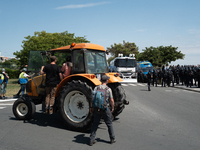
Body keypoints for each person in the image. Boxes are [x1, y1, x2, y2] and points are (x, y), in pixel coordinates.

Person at [89, 75, 116, 146]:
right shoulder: (108, 89)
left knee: (95, 124)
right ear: (106, 81)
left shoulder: (96, 87)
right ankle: (112, 139)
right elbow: (111, 100)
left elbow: (92, 99)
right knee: (109, 124)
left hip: (96, 108)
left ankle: (91, 140)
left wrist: (91, 107)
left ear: (101, 81)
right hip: (105, 108)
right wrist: (112, 108)